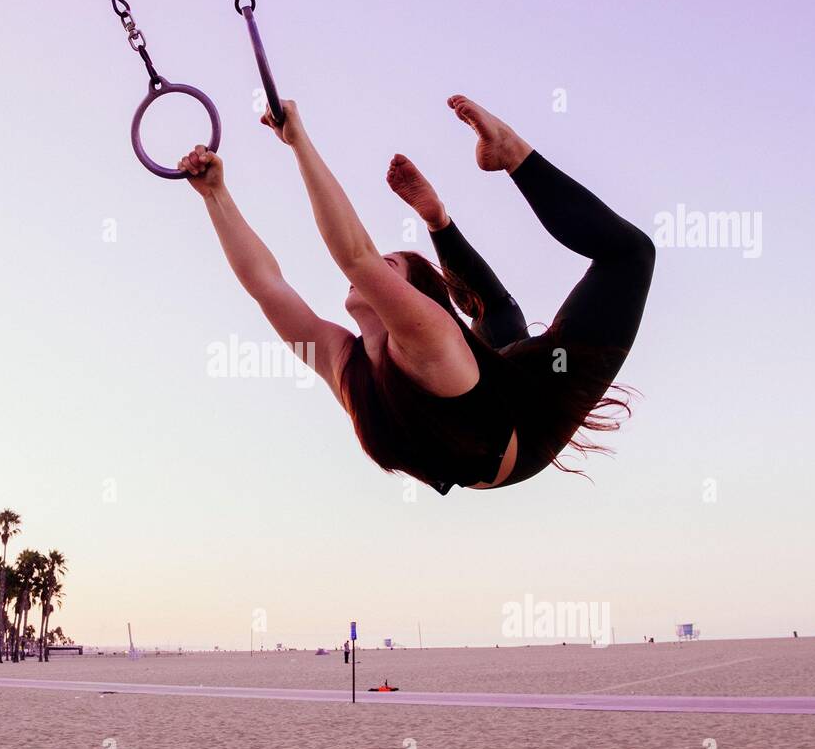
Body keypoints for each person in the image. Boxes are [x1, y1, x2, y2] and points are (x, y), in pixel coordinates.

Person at [179, 95, 655, 493]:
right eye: (388, 264)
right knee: (507, 318)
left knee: (616, 262)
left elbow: (351, 259)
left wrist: (297, 141)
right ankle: (439, 222)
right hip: (519, 417)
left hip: (512, 412)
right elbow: (270, 284)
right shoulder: (354, 360)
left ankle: (510, 155)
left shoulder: (408, 344)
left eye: (391, 266)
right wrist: (216, 197)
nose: (373, 271)